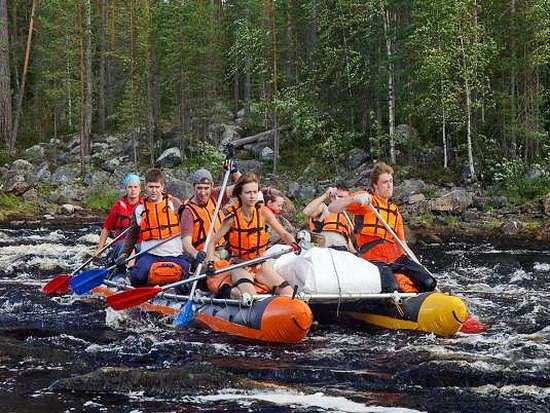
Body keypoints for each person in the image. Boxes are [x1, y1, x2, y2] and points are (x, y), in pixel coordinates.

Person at [328, 161, 437, 292]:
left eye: (391, 181)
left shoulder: (394, 211)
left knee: (429, 282)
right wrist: (353, 199)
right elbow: (332, 208)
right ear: (375, 185)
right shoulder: (367, 201)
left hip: (396, 258)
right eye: (385, 182)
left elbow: (403, 244)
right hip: (373, 258)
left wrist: (417, 264)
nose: (389, 185)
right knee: (391, 287)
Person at [206, 173, 296, 298]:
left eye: (255, 192)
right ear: (240, 194)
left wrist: (293, 243)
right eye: (248, 192)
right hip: (240, 265)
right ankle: (230, 292)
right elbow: (212, 242)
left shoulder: (264, 213)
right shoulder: (232, 218)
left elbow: (284, 233)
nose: (252, 196)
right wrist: (210, 262)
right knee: (250, 296)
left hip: (260, 264)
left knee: (288, 293)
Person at [117, 168, 190, 287]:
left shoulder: (175, 204)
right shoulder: (139, 210)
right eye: (151, 187)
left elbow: (188, 227)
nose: (154, 191)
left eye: (157, 187)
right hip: (150, 254)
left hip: (174, 254)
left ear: (162, 187)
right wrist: (124, 254)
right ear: (145, 187)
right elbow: (132, 235)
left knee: (186, 271)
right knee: (138, 276)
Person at [180, 163, 241, 267]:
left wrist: (235, 172)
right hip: (206, 253)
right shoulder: (188, 211)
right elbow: (186, 243)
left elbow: (244, 186)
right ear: (193, 187)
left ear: (212, 186)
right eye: (199, 188)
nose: (203, 192)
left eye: (206, 188)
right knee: (224, 268)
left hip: (225, 247)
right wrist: (196, 254)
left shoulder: (216, 195)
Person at [95, 174, 143, 265]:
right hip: (121, 243)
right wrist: (99, 249)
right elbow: (106, 228)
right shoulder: (118, 206)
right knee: (130, 249)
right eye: (130, 187)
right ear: (126, 189)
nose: (133, 190)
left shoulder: (145, 205)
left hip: (140, 243)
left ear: (140, 189)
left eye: (135, 187)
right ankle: (129, 273)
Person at [302, 184, 355, 252]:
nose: (340, 200)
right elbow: (306, 212)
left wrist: (355, 253)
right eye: (338, 197)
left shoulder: (349, 217)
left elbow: (349, 241)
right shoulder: (325, 209)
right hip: (323, 247)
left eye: (344, 198)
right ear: (332, 197)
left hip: (342, 249)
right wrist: (325, 195)